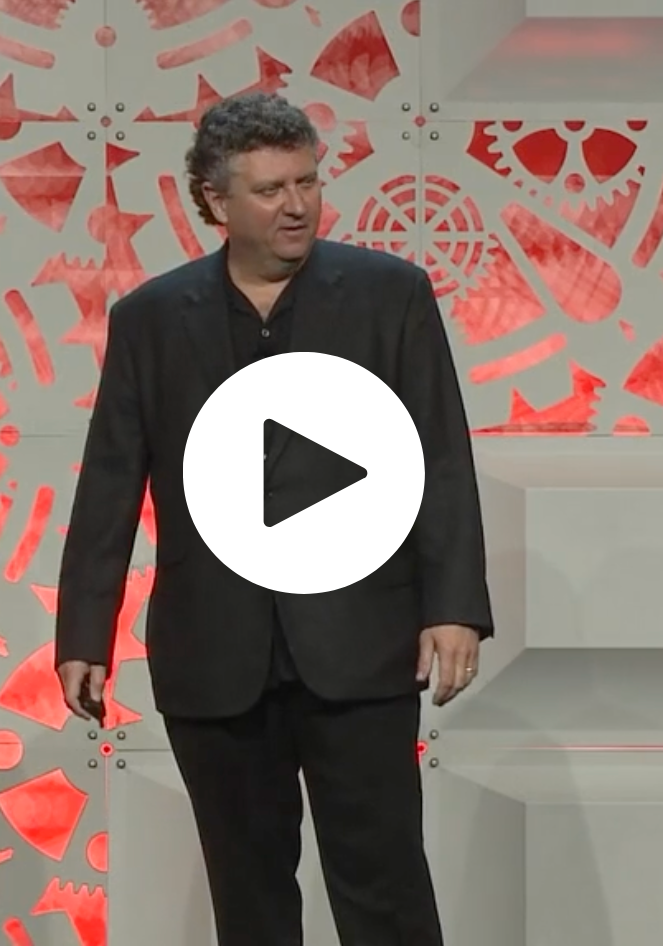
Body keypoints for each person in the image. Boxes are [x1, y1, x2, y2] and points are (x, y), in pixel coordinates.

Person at [54, 91, 494, 946]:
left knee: (386, 888)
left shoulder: (388, 295)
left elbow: (439, 452)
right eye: (270, 189)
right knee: (249, 899)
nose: (296, 205)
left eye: (308, 182)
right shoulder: (149, 319)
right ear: (216, 201)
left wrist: (453, 606)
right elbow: (112, 480)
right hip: (216, 653)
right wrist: (84, 633)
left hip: (359, 646)